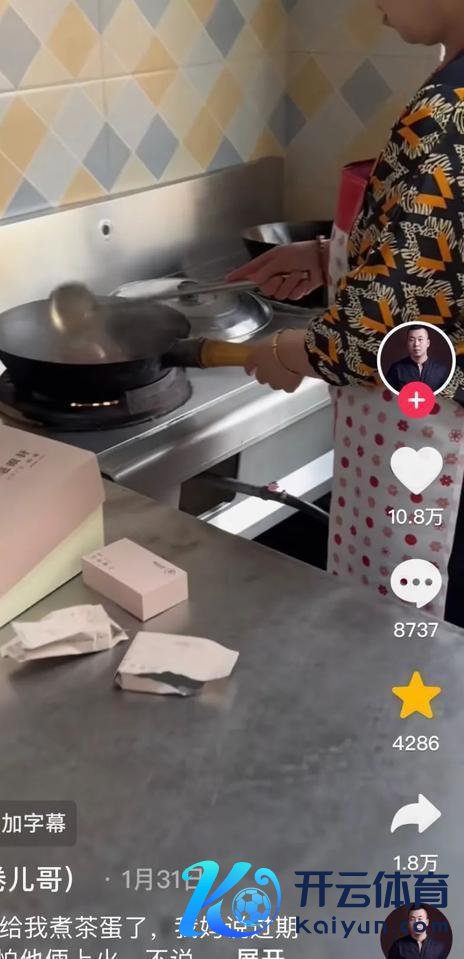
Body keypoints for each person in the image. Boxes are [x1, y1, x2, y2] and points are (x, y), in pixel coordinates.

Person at [228, 0, 464, 626]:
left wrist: (286, 352)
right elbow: (439, 252)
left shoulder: (446, 113)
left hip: (443, 455)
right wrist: (329, 255)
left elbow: (383, 333)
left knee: (416, 648)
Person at [386, 325, 450, 391]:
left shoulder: (441, 370)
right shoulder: (396, 369)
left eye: (420, 339)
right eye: (411, 340)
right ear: (407, 343)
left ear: (428, 343)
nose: (416, 344)